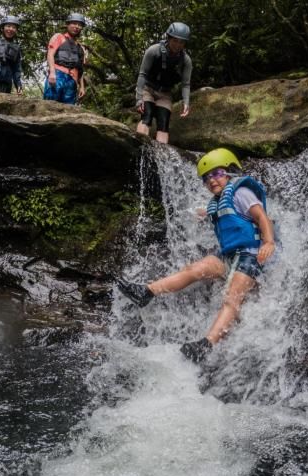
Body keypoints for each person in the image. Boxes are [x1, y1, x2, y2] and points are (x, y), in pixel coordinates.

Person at [116, 148, 276, 362]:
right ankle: (147, 292)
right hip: (229, 256)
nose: (212, 180)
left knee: (232, 298)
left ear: (228, 173)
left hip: (251, 255)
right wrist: (198, 213)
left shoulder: (241, 193)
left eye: (217, 174)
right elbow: (210, 213)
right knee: (195, 269)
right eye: (206, 178)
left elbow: (261, 217)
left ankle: (207, 344)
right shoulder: (216, 203)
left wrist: (268, 242)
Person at [135, 22, 192, 144]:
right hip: (148, 89)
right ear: (169, 38)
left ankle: (160, 157)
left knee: (163, 124)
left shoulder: (185, 60)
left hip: (165, 94)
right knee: (147, 116)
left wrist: (186, 102)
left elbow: (186, 84)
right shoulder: (154, 51)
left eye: (181, 42)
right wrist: (139, 98)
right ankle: (139, 150)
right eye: (175, 40)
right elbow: (142, 74)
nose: (178, 45)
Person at [44, 13, 87, 105]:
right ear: (68, 24)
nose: (77, 26)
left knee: (68, 108)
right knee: (50, 104)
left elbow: (80, 69)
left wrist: (82, 87)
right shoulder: (59, 37)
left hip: (72, 80)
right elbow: (50, 54)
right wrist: (52, 72)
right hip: (58, 75)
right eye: (74, 23)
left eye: (79, 25)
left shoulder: (81, 48)